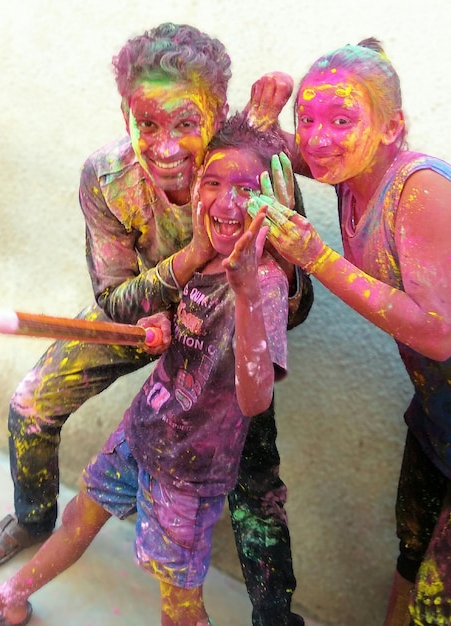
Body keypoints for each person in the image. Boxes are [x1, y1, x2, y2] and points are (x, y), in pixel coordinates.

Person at [0, 23, 312, 626]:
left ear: (216, 112)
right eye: (147, 123)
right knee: (30, 402)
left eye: (185, 123)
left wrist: (241, 284)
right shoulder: (104, 177)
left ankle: (274, 615)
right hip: (139, 316)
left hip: (222, 337)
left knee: (255, 480)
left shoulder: (249, 165)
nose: (167, 147)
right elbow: (114, 299)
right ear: (125, 113)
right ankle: (33, 517)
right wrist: (185, 266)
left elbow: (296, 305)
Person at [247, 38, 451, 626]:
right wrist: (263, 116)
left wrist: (314, 256)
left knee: (439, 604)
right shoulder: (349, 170)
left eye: (341, 119)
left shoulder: (421, 189)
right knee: (412, 556)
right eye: (307, 118)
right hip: (438, 417)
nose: (318, 137)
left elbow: (438, 333)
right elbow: (278, 150)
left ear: (393, 128)